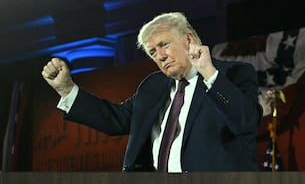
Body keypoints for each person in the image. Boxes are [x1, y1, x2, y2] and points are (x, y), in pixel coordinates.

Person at [41, 12, 262, 172]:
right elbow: (115, 119)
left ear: (188, 40)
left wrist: (209, 74)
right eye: (153, 52)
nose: (160, 56)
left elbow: (247, 122)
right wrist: (66, 89)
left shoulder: (234, 74)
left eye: (164, 45)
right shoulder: (153, 86)